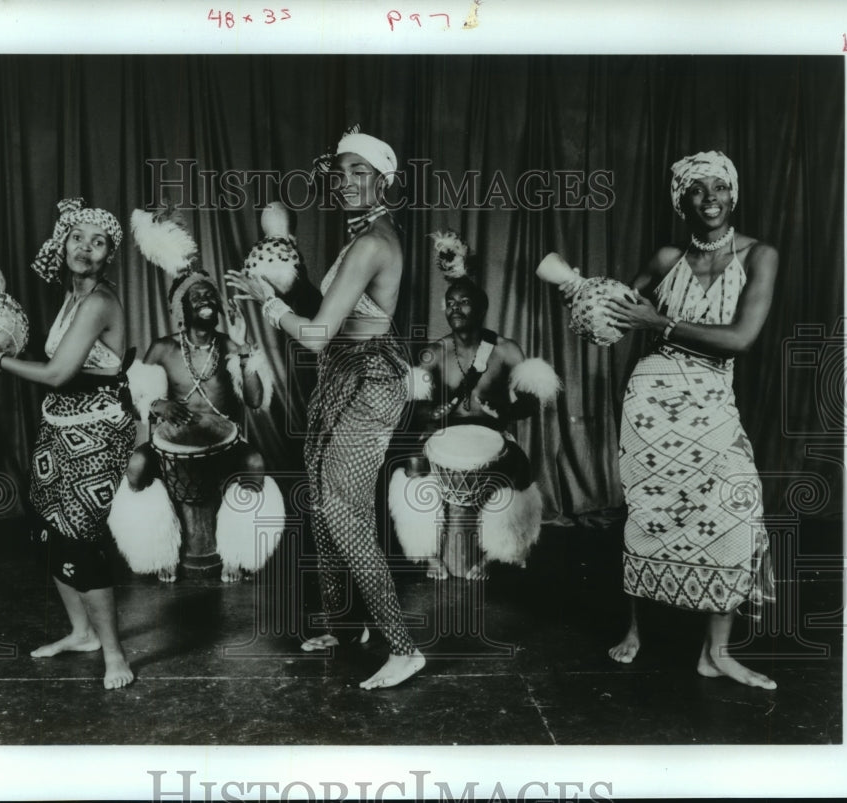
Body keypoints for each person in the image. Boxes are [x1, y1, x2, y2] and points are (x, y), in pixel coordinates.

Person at [226, 129, 425, 690]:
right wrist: (284, 285)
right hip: (346, 371)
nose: (346, 182)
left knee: (343, 509)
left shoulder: (372, 241)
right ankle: (349, 623)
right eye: (340, 173)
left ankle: (403, 648)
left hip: (371, 378)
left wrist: (268, 303)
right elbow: (330, 314)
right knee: (321, 495)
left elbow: (314, 336)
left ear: (384, 180)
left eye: (359, 171)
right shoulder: (360, 239)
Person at [586, 151, 778, 690]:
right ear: (682, 200)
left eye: (720, 187)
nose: (710, 197)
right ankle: (635, 628)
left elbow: (740, 339)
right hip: (651, 398)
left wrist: (660, 321)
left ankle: (714, 652)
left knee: (738, 504)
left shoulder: (760, 255)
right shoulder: (668, 256)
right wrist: (587, 302)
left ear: (733, 195)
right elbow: (613, 318)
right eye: (697, 189)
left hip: (712, 396)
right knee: (652, 511)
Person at [0, 197, 137, 690]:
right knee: (49, 530)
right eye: (77, 238)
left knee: (81, 538)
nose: (85, 248)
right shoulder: (73, 297)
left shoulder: (98, 302)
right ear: (64, 244)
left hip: (98, 430)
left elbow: (55, 373)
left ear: (108, 255)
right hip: (58, 425)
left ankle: (115, 655)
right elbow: (55, 363)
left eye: (97, 243)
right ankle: (81, 633)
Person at [394, 275, 558, 580]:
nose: (455, 308)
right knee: (413, 465)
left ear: (481, 308)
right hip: (444, 434)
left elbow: (530, 406)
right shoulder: (435, 352)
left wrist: (504, 409)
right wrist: (434, 414)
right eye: (451, 302)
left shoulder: (506, 350)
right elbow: (415, 411)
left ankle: (499, 554)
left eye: (464, 301)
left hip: (494, 435)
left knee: (520, 468)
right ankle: (428, 554)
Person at [121, 273, 277, 583]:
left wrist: (244, 344)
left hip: (225, 445)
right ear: (182, 309)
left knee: (256, 463)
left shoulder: (231, 345)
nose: (206, 300)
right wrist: (156, 405)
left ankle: (237, 553)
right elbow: (132, 395)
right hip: (171, 447)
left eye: (210, 295)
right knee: (137, 464)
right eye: (196, 297)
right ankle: (162, 552)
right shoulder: (163, 348)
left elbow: (256, 399)